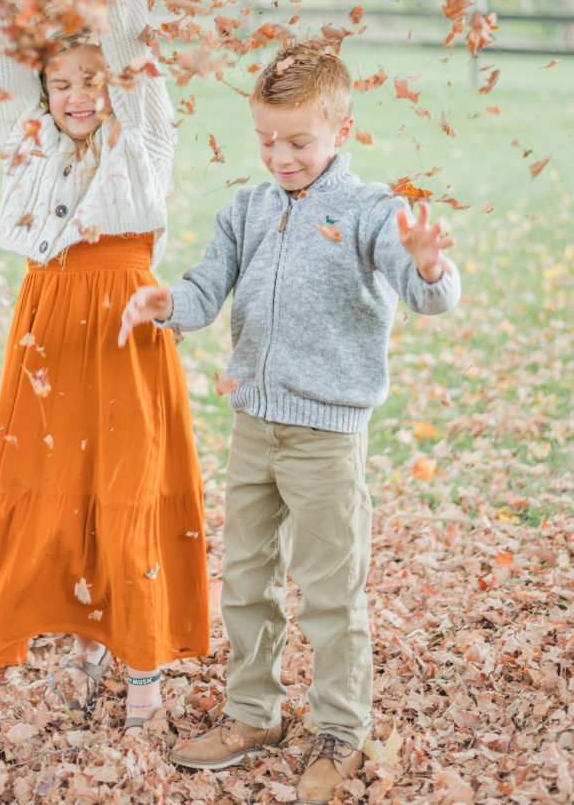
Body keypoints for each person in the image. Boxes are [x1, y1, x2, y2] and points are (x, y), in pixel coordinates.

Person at [119, 42, 460, 798]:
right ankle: (253, 713)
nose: (280, 155)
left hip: (326, 437)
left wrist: (431, 267)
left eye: (298, 141)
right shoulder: (247, 208)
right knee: (245, 579)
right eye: (267, 139)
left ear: (341, 129)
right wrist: (168, 302)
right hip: (254, 426)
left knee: (332, 587)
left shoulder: (373, 212)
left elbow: (425, 291)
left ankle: (339, 727)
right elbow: (210, 285)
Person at [0, 0, 209, 733]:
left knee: (125, 484)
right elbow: (0, 51)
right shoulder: (28, 136)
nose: (76, 94)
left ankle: (142, 666)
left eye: (89, 79)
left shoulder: (143, 133)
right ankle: (78, 635)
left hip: (123, 323)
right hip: (45, 326)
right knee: (54, 485)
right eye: (61, 82)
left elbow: (131, 39)